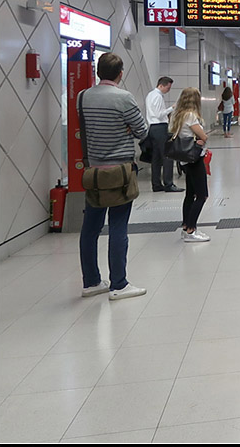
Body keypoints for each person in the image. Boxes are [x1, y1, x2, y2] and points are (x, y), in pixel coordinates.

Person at [78, 53, 148, 300]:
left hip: (94, 172)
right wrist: (125, 127)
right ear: (120, 73)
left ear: (98, 72)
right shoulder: (124, 98)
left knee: (90, 229)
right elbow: (142, 131)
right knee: (118, 227)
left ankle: (91, 282)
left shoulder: (83, 96)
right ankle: (118, 284)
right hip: (120, 172)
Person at [170, 87, 212, 242]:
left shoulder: (177, 115)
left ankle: (185, 226)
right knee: (202, 195)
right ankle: (191, 230)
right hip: (195, 160)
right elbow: (203, 136)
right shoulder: (190, 115)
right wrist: (202, 138)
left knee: (190, 194)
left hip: (185, 159)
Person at [145, 76, 183, 193]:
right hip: (160, 127)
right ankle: (168, 183)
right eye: (168, 87)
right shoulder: (157, 96)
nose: (168, 90)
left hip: (153, 128)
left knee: (156, 158)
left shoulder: (150, 95)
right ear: (161, 85)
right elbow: (159, 114)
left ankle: (156, 184)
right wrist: (172, 108)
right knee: (167, 156)